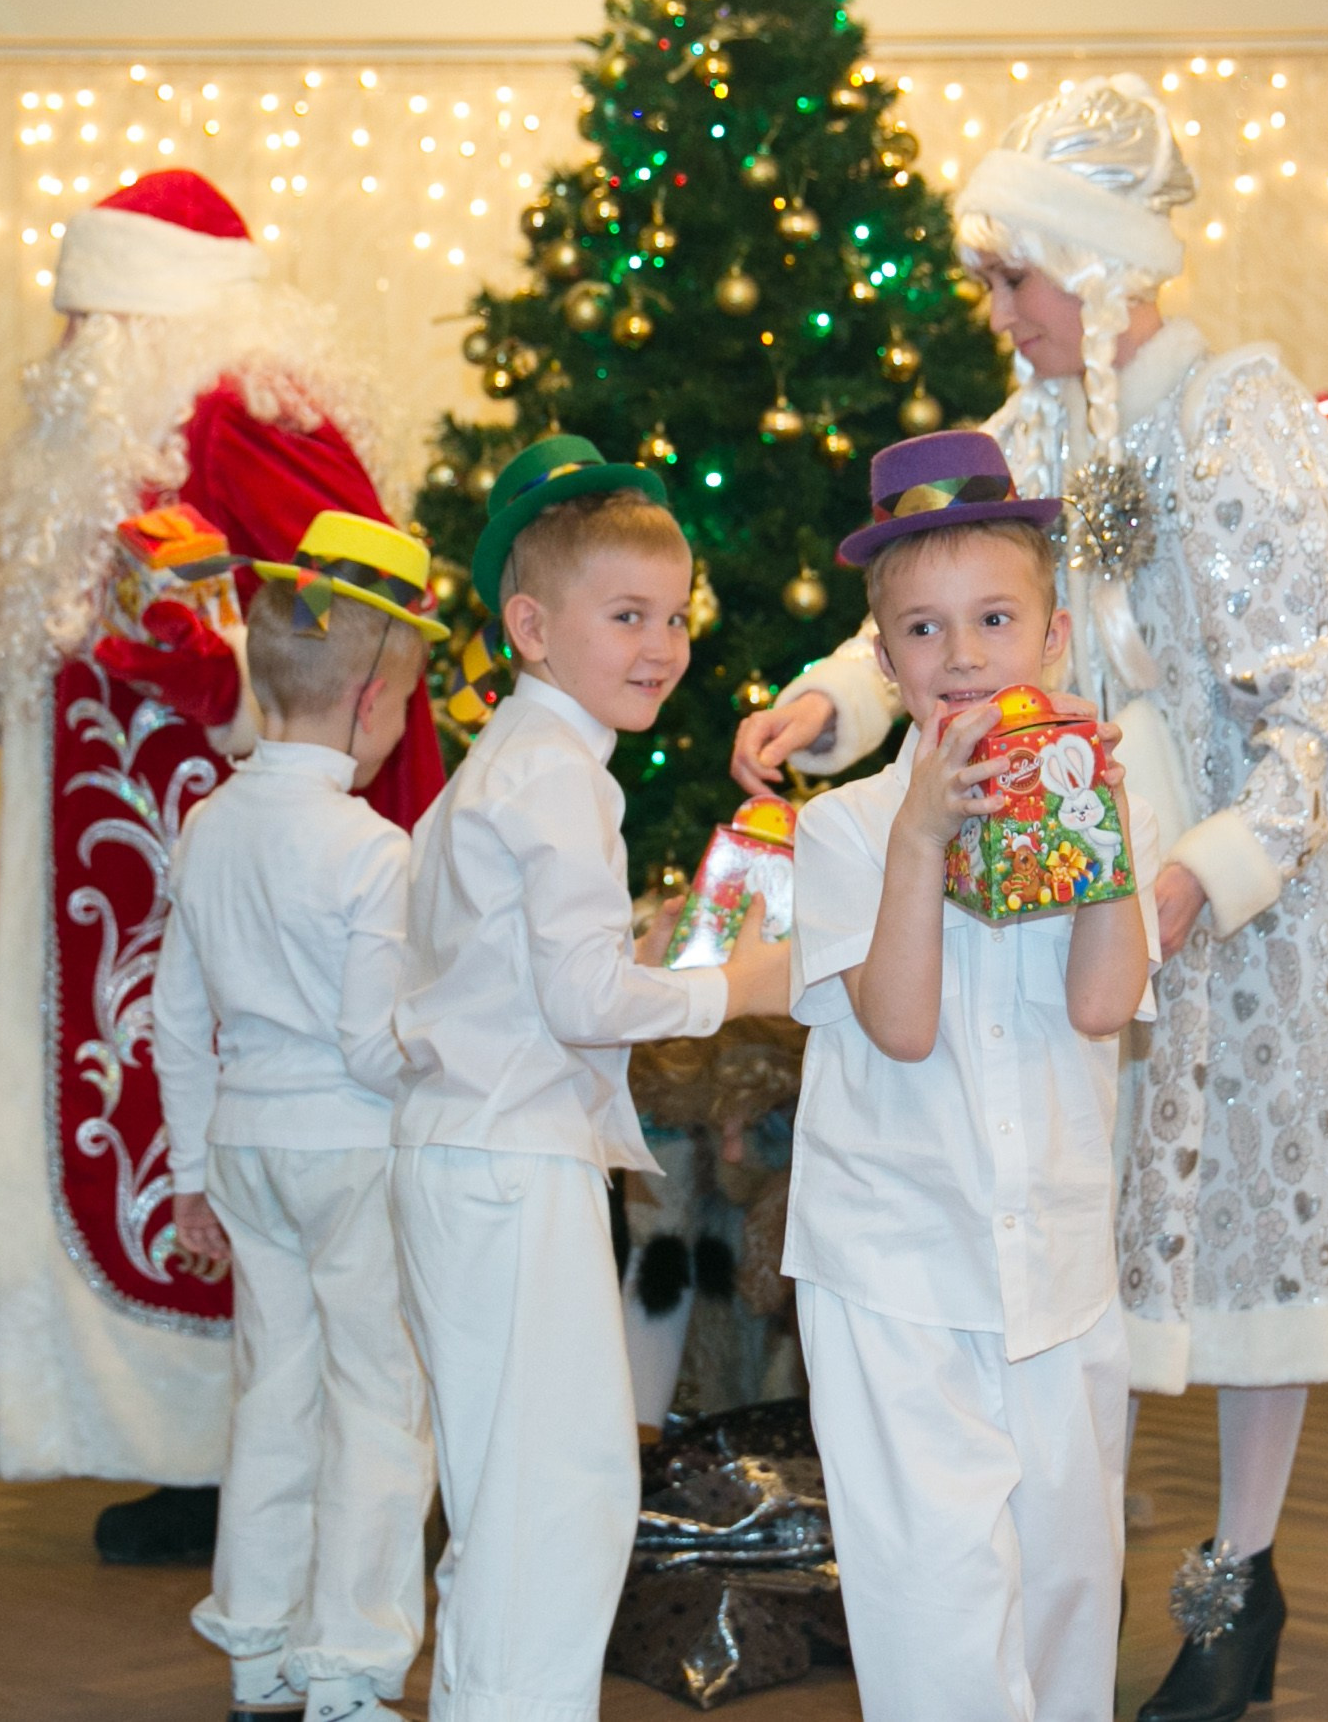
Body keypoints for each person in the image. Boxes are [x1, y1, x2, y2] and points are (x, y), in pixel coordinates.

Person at [731, 78, 1328, 1722]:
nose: (997, 309)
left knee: (1239, 1237)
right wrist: (825, 707)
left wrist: (1206, 878)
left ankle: (1238, 1576)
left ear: (1104, 265)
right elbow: (927, 613)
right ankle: (1065, 1557)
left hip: (1227, 882)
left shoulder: (1245, 420)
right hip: (1042, 857)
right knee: (1081, 1231)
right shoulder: (1027, 428)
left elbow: (1311, 707)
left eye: (1017, 276)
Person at [0, 169, 446, 1565]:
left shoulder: (245, 427)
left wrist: (194, 661)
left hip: (220, 870)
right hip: (105, 879)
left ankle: (261, 1461)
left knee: (233, 1158)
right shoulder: (109, 468)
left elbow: (351, 663)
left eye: (81, 321)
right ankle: (194, 1446)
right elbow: (42, 685)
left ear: (143, 322)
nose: (58, 353)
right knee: (170, 1152)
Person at [390, 435, 792, 1722]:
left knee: (521, 1490)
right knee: (554, 1497)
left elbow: (524, 975)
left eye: (674, 616)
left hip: (477, 1153)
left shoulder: (512, 761)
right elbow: (577, 1002)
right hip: (508, 1164)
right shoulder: (559, 777)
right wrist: (745, 983)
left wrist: (650, 960)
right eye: (626, 615)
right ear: (530, 624)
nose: (663, 645)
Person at [787, 430, 1160, 1721]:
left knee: (1064, 1578)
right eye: (924, 631)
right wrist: (918, 837)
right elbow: (896, 1020)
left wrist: (1099, 827)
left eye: (992, 619)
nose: (960, 656)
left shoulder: (1079, 805)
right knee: (934, 1594)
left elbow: (1103, 1000)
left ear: (1049, 639)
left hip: (1052, 1265)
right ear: (884, 662)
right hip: (894, 1267)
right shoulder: (841, 827)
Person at [150, 514, 448, 1722]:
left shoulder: (209, 828)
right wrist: (455, 1054)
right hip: (351, 1152)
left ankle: (258, 1647)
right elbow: (376, 1046)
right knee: (380, 1400)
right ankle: (353, 1668)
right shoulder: (371, 849)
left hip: (244, 1151)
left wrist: (185, 1174)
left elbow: (175, 1019)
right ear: (376, 699)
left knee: (274, 1392)